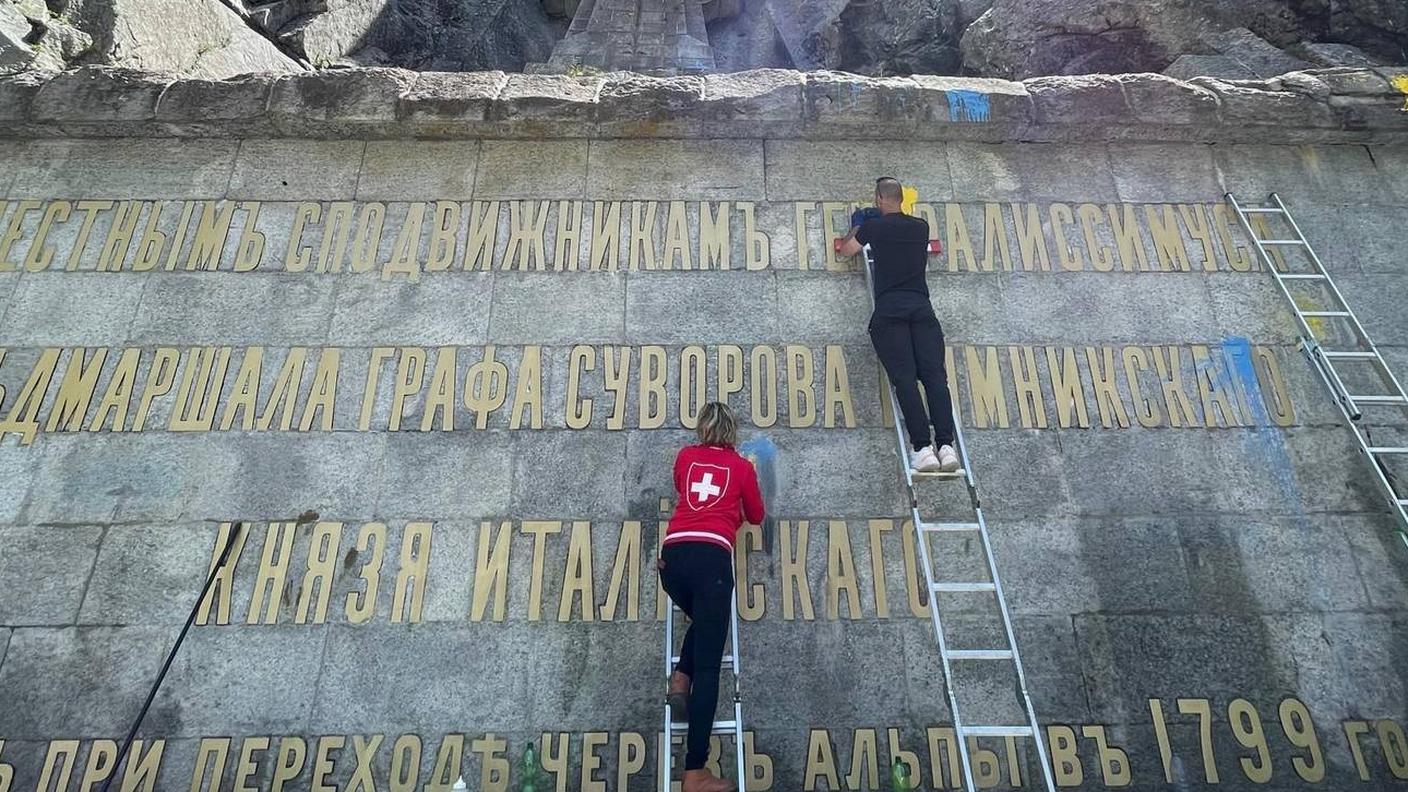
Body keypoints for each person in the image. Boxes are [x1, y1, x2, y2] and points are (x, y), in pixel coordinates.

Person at [658, 402, 765, 792]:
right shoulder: (741, 467)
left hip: (672, 559)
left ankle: (679, 680)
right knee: (709, 667)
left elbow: (684, 489)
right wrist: (735, 510)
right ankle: (695, 772)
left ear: (702, 429)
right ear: (732, 432)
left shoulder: (686, 457)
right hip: (711, 562)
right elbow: (756, 514)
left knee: (703, 625)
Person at [838, 176, 959, 473]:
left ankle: (922, 448)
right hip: (922, 309)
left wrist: (859, 224)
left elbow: (848, 251)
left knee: (905, 379)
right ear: (901, 198)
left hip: (890, 311)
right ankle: (946, 445)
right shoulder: (921, 228)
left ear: (880, 199)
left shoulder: (874, 226)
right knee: (934, 378)